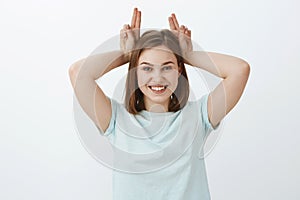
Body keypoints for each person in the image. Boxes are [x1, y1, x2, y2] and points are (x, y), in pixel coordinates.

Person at [68, 7, 250, 200]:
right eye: (146, 68)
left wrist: (186, 54)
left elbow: (240, 70)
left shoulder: (199, 115)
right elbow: (78, 72)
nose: (157, 77)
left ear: (179, 71)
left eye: (167, 67)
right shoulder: (115, 120)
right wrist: (128, 54)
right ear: (135, 72)